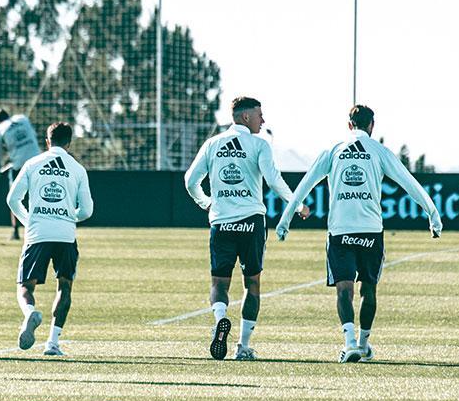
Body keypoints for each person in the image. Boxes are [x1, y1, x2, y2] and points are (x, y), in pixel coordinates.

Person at [276, 104, 442, 364]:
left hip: (340, 230)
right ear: (372, 126)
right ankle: (363, 345)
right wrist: (433, 214)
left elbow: (304, 184)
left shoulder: (334, 150)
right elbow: (408, 181)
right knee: (369, 289)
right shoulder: (378, 150)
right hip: (371, 230)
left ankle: (350, 343)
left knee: (344, 289)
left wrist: (285, 221)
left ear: (349, 124)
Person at [183, 96, 307, 361]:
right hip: (251, 222)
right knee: (252, 284)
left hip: (221, 221)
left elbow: (190, 180)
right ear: (245, 117)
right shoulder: (259, 144)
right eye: (259, 115)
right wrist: (297, 205)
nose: (263, 120)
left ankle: (220, 319)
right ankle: (243, 346)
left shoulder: (212, 144)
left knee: (219, 282)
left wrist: (206, 203)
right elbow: (274, 180)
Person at [6, 122, 94, 356]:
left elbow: (12, 199)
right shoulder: (77, 168)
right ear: (69, 143)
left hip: (38, 234)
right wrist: (68, 216)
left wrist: (29, 220)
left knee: (25, 286)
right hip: (65, 235)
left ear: (47, 141)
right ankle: (52, 343)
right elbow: (87, 211)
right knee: (64, 286)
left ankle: (30, 313)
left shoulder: (32, 163)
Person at [0, 108, 41, 240]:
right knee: (39, 196)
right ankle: (41, 228)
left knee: (15, 198)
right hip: (38, 161)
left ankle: (15, 231)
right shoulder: (23, 119)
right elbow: (33, 136)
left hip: (19, 166)